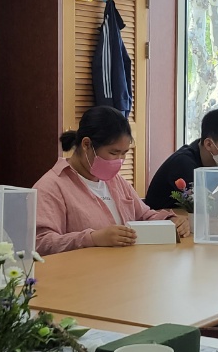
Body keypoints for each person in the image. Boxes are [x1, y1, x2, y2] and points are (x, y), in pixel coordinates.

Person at [36, 105, 191, 254]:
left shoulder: (115, 181)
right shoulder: (52, 186)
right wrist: (92, 238)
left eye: (124, 153)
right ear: (86, 144)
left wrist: (171, 221)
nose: (119, 160)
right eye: (113, 153)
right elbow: (40, 243)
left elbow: (144, 216)